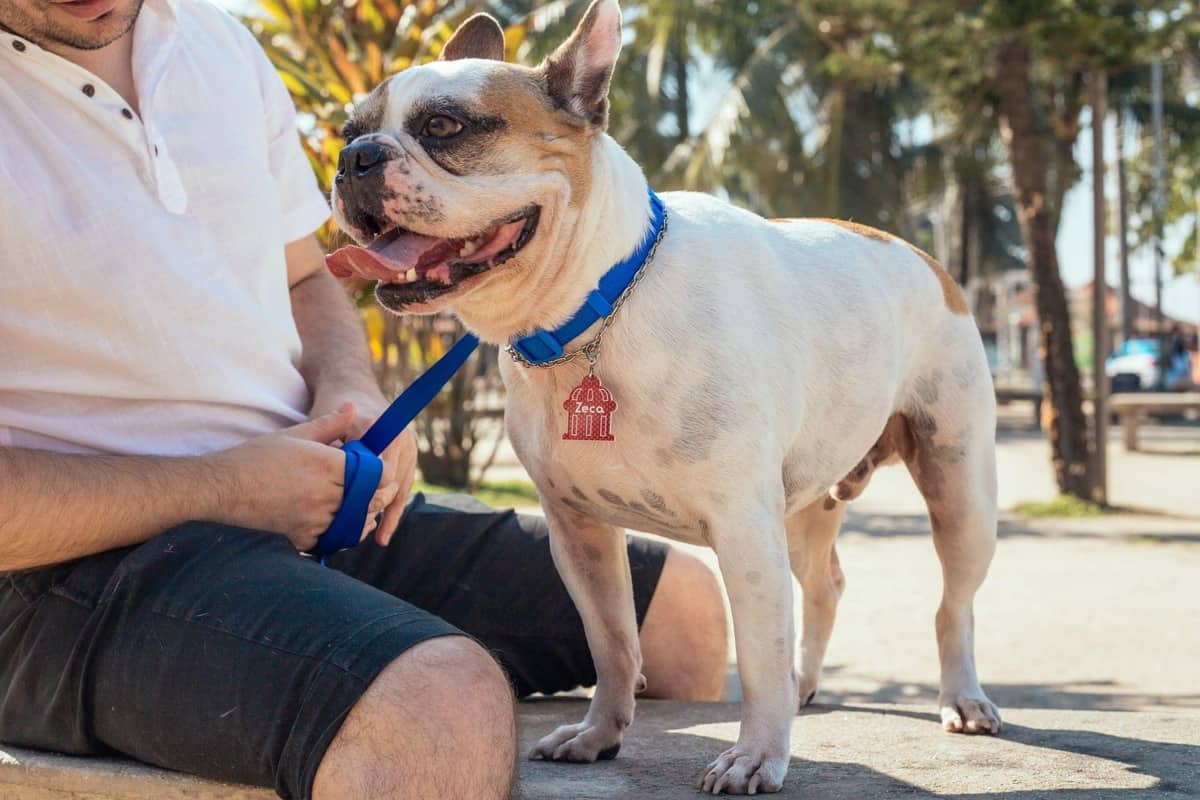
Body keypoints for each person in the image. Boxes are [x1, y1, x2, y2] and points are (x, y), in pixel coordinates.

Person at [0, 0, 730, 797]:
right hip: (58, 571)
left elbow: (304, 276)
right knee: (437, 706)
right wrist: (226, 488)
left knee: (678, 613)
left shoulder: (217, 44)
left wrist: (352, 391)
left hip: (309, 514)